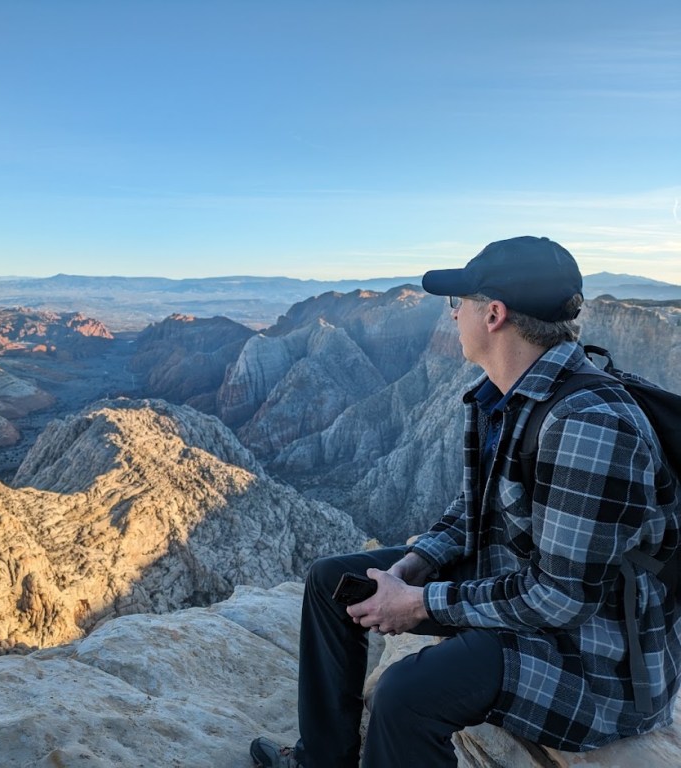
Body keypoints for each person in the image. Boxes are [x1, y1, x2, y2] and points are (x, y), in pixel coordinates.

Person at [251, 235, 681, 767]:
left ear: (494, 314)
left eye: (459, 304)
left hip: (597, 665)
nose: (452, 317)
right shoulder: (505, 396)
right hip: (524, 596)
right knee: (330, 582)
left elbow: (560, 600)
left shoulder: (587, 426)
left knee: (406, 695)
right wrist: (414, 565)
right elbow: (469, 512)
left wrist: (418, 604)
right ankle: (321, 760)